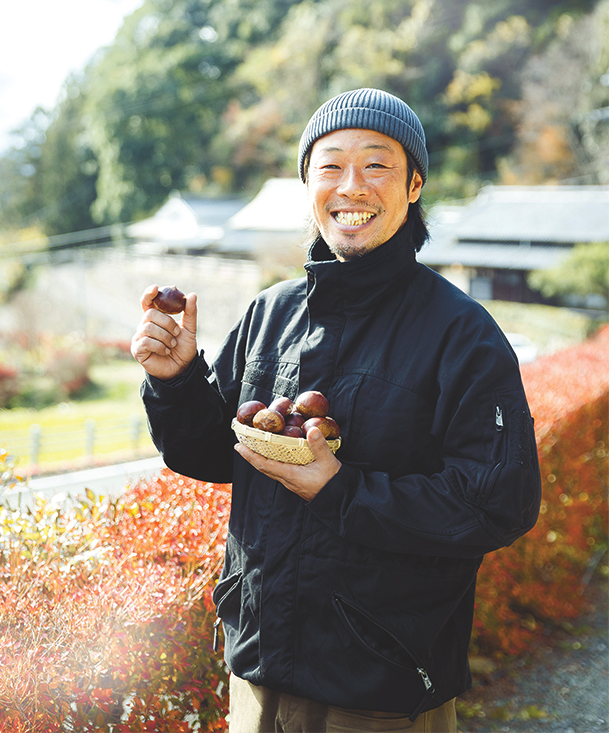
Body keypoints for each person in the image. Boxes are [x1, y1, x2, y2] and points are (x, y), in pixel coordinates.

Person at [131, 87, 541, 733]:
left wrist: (340, 490)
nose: (352, 185)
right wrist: (178, 378)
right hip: (259, 662)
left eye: (377, 164)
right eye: (330, 165)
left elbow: (498, 502)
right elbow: (210, 453)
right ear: (307, 184)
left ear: (414, 186)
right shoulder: (272, 312)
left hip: (383, 679)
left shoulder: (460, 332)